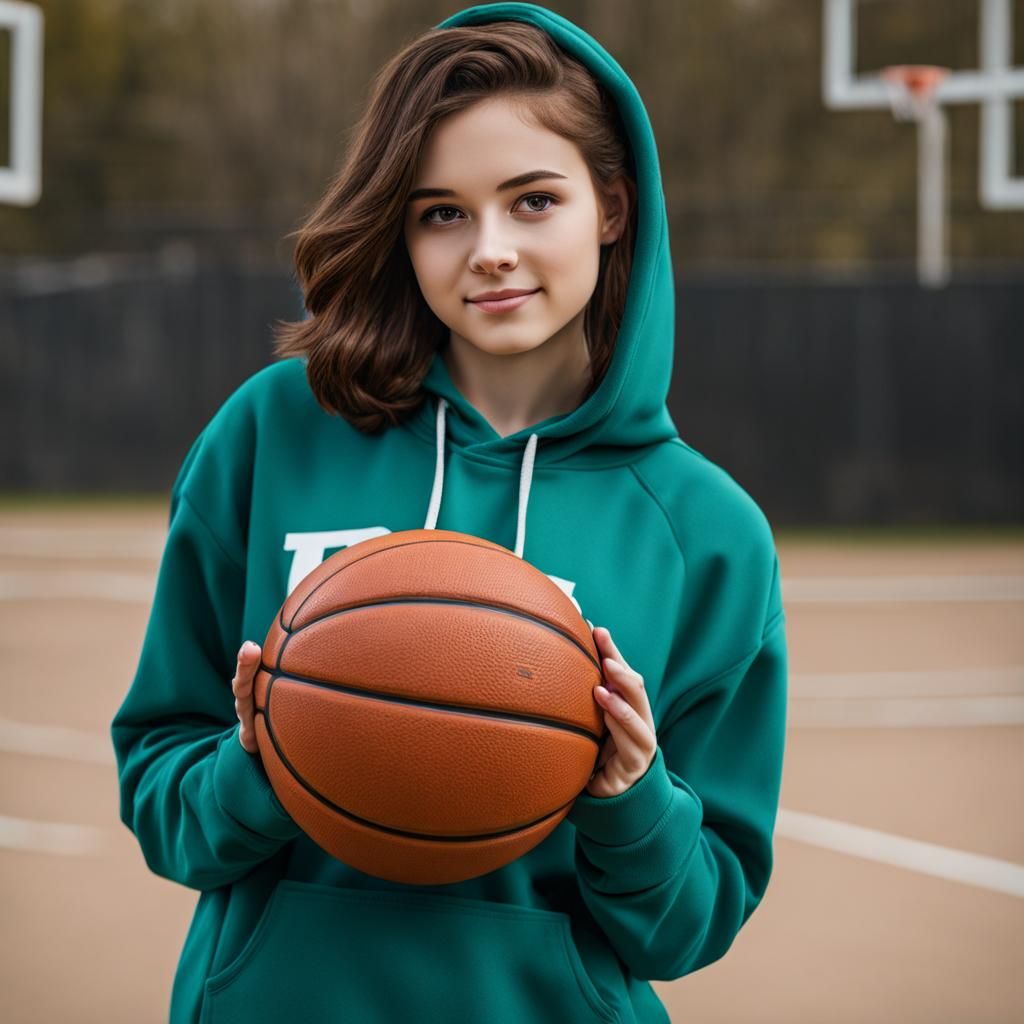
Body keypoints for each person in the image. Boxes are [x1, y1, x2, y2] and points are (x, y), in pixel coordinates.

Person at [110, 4, 788, 1023]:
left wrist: (631, 794)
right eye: (442, 213)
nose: (489, 250)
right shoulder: (273, 435)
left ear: (610, 204)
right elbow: (161, 789)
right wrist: (257, 764)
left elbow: (689, 924)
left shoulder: (706, 532)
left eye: (532, 201)